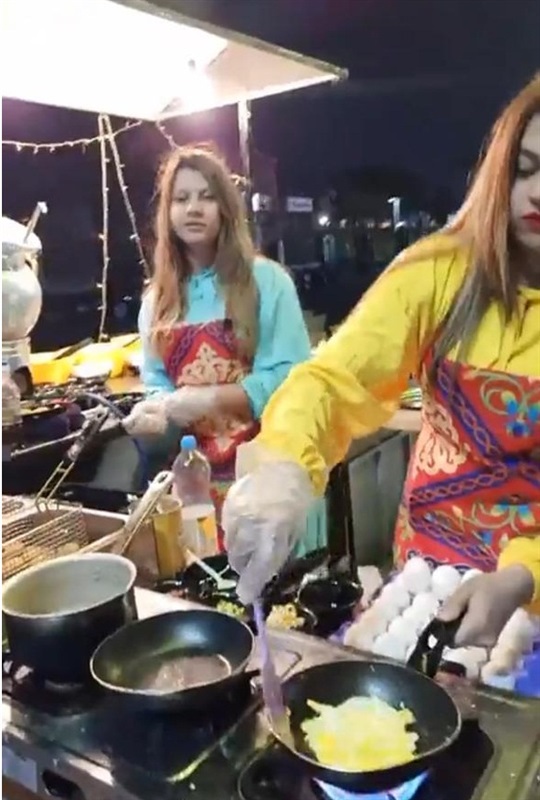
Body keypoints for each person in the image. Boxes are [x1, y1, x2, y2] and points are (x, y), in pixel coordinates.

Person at [223, 75, 540, 647]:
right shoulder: (439, 272)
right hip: (426, 576)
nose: (537, 192)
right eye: (524, 169)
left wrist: (523, 576)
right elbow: (333, 380)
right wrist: (282, 468)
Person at [123, 145, 325, 551]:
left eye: (206, 196)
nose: (193, 208)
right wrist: (157, 410)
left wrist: (208, 399)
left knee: (277, 587)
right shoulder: (156, 302)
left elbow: (291, 378)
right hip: (197, 488)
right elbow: (156, 381)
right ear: (167, 213)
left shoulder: (267, 282)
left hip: (270, 479)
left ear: (227, 209)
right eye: (181, 198)